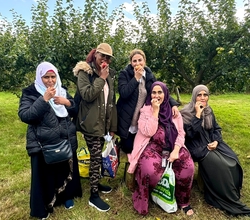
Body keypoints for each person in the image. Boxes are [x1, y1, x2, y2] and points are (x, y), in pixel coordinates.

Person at [180, 85, 250, 218]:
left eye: (205, 95)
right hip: (196, 146)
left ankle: (231, 190)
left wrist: (216, 141)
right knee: (221, 166)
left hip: (211, 142)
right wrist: (198, 114)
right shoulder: (185, 113)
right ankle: (225, 198)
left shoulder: (209, 110)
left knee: (232, 160)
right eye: (199, 95)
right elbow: (190, 135)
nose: (203, 98)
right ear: (194, 96)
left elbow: (216, 129)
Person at [18, 61, 82, 220]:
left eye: (53, 76)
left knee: (64, 170)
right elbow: (25, 115)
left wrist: (66, 102)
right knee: (44, 174)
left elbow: (75, 109)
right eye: (46, 77)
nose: (50, 80)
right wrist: (43, 99)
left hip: (64, 139)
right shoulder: (30, 92)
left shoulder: (62, 90)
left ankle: (66, 197)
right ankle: (44, 206)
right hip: (43, 142)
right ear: (40, 77)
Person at [127, 81, 195, 216]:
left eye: (160, 92)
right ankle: (148, 196)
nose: (156, 95)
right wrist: (155, 111)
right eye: (154, 92)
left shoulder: (174, 111)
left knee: (188, 167)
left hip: (173, 146)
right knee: (148, 170)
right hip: (153, 147)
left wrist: (176, 151)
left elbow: (181, 133)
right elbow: (148, 132)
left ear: (165, 94)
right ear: (150, 94)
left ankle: (183, 201)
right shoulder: (145, 110)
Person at [72, 43, 117, 212]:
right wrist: (102, 78)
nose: (104, 60)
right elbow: (88, 95)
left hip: (102, 124)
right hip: (89, 123)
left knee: (96, 156)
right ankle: (94, 195)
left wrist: (112, 126)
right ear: (95, 55)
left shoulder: (109, 75)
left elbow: (110, 102)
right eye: (102, 56)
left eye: (108, 58)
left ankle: (96, 182)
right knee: (96, 156)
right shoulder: (85, 72)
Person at [116, 49, 180, 154]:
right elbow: (124, 93)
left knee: (143, 148)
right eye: (134, 61)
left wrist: (173, 104)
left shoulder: (149, 75)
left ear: (144, 61)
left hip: (142, 119)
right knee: (128, 148)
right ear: (131, 62)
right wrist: (136, 78)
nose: (137, 63)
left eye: (140, 60)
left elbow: (161, 91)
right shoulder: (125, 74)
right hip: (127, 119)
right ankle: (121, 144)